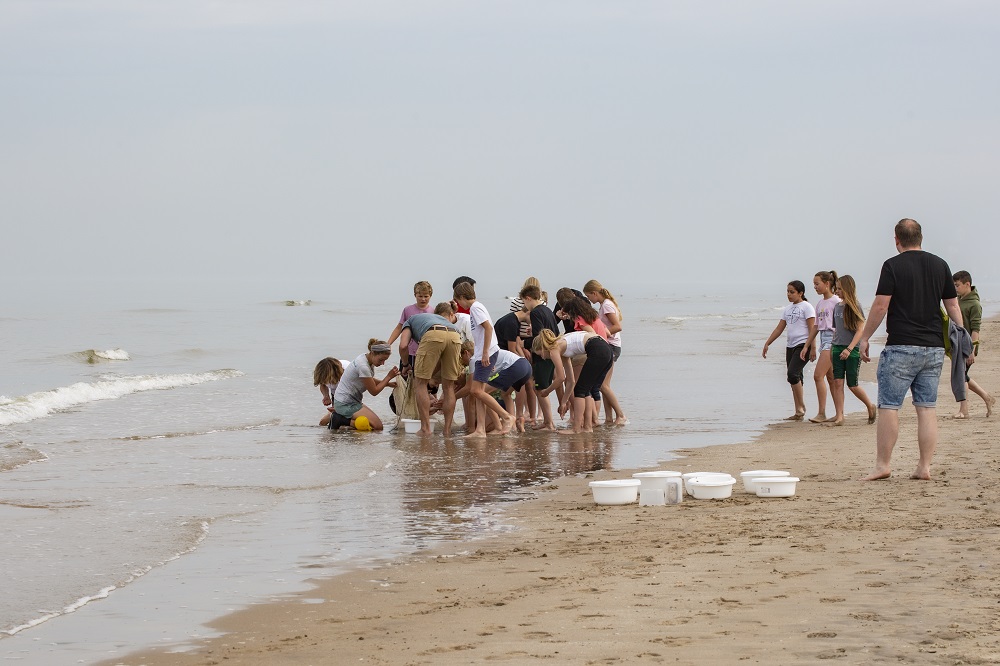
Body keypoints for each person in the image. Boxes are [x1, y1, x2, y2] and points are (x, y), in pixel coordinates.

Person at [858, 218, 966, 481]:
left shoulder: (892, 265)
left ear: (896, 239)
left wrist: (865, 337)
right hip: (933, 348)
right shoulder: (940, 265)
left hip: (901, 347)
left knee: (889, 407)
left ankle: (883, 465)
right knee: (927, 408)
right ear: (921, 237)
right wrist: (961, 338)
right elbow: (952, 306)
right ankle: (924, 467)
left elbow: (881, 305)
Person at [452, 281, 516, 436]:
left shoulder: (475, 308)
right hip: (482, 354)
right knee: (477, 392)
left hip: (485, 354)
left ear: (461, 296)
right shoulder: (475, 308)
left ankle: (506, 417)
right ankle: (480, 430)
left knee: (475, 391)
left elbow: (488, 327)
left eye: (457, 300)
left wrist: (486, 352)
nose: (458, 304)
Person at [396, 303, 464, 436]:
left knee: (420, 383)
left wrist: (405, 365)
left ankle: (425, 429)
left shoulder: (409, 321)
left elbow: (403, 346)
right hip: (455, 335)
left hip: (433, 333)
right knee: (449, 386)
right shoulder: (445, 321)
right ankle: (447, 430)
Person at [532, 329, 614, 434]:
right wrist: (563, 402)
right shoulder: (563, 349)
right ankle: (588, 427)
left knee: (580, 390)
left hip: (598, 348)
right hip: (605, 349)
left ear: (543, 348)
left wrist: (546, 391)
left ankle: (576, 429)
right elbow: (570, 381)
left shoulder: (554, 350)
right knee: (585, 389)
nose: (543, 358)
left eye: (540, 354)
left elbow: (560, 378)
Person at [826, 275, 876, 426]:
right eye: (837, 288)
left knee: (852, 384)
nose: (837, 291)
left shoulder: (856, 307)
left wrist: (849, 348)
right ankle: (840, 416)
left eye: (840, 288)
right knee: (837, 382)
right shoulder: (837, 307)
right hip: (837, 348)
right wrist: (832, 348)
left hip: (851, 350)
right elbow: (837, 330)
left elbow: (860, 330)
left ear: (848, 289)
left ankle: (870, 405)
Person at [762, 281, 816, 421]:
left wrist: (812, 348)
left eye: (792, 292)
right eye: (787, 291)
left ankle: (801, 407)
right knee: (797, 378)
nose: (789, 294)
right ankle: (798, 412)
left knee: (792, 374)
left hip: (804, 344)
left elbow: (813, 329)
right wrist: (768, 343)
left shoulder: (807, 307)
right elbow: (779, 329)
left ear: (801, 293)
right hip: (790, 346)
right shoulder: (787, 309)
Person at [457, 340, 532, 432]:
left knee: (481, 393)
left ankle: (500, 424)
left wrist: (453, 397)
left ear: (466, 353)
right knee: (506, 394)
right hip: (526, 366)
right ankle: (513, 427)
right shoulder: (485, 354)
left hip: (515, 366)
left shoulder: (474, 359)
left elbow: (469, 388)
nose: (463, 363)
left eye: (461, 358)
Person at [950, 271, 995, 418]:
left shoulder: (974, 304)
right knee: (963, 376)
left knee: (961, 377)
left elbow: (976, 329)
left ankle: (964, 410)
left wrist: (971, 350)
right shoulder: (958, 299)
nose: (955, 288)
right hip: (958, 345)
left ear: (967, 284)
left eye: (957, 285)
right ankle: (986, 397)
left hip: (968, 346)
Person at [583, 279, 627, 425]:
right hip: (610, 346)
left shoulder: (607, 305)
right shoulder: (604, 304)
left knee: (603, 385)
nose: (589, 299)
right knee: (603, 384)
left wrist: (603, 333)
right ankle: (609, 418)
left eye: (589, 296)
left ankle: (621, 415)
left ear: (594, 293)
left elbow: (617, 326)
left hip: (612, 346)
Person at [800, 271, 841, 423]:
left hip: (833, 340)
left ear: (827, 284)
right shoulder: (820, 303)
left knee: (818, 376)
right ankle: (839, 413)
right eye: (814, 284)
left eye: (817, 284)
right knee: (831, 379)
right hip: (824, 339)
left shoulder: (836, 301)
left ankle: (822, 413)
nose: (815, 287)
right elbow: (816, 326)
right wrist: (807, 346)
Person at [333, 339, 400, 431]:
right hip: (345, 403)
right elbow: (374, 391)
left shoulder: (366, 358)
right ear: (373, 353)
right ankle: (340, 420)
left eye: (385, 360)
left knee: (373, 426)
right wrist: (388, 377)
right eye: (381, 360)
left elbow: (368, 379)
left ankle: (343, 420)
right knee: (377, 427)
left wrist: (387, 384)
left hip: (350, 401)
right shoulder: (363, 366)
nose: (382, 363)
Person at [521, 285, 560, 430]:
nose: (525, 305)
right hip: (552, 352)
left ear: (528, 298)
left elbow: (538, 339)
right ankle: (547, 421)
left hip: (543, 355)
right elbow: (554, 331)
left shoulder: (535, 313)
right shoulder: (548, 310)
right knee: (541, 388)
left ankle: (548, 423)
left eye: (524, 302)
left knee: (541, 389)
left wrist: (523, 342)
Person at [386, 281, 434, 368]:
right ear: (415, 295)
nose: (423, 299)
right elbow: (399, 328)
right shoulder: (408, 310)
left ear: (430, 296)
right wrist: (388, 343)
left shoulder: (433, 312)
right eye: (420, 296)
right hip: (409, 352)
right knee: (405, 377)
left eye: (426, 296)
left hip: (425, 352)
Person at [313, 357, 352, 429]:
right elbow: (322, 384)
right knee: (323, 422)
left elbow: (353, 391)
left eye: (328, 379)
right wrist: (326, 396)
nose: (327, 382)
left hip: (350, 393)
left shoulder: (348, 371)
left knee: (342, 419)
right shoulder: (323, 372)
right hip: (335, 393)